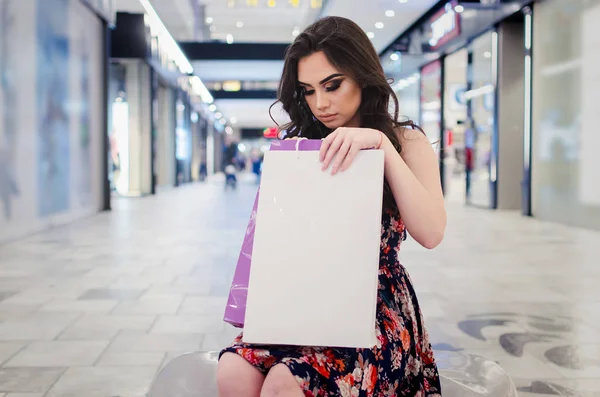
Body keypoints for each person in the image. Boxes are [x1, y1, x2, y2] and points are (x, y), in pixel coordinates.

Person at [217, 16, 446, 397]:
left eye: (332, 85)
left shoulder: (407, 143)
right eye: (307, 91)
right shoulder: (304, 145)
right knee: (232, 372)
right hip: (305, 291)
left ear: (362, 75)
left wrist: (381, 146)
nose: (320, 103)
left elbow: (432, 232)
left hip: (376, 306)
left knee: (284, 383)